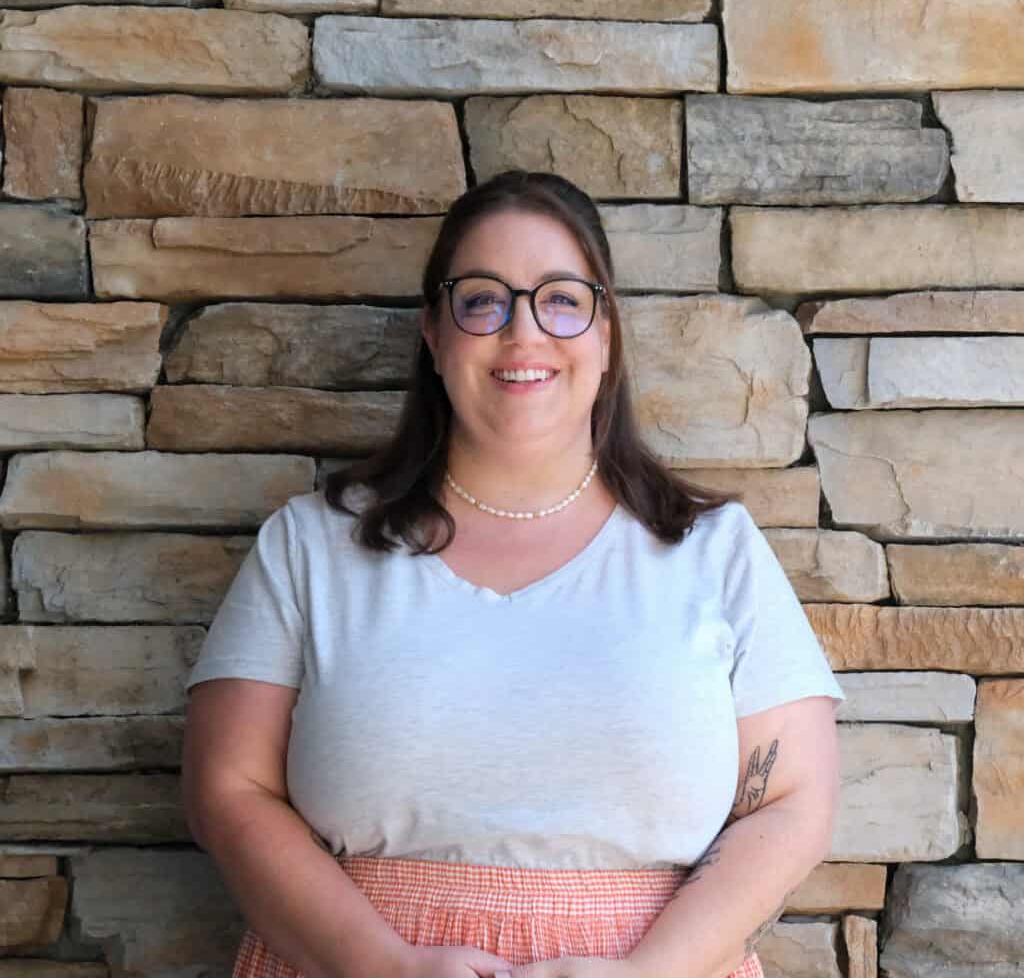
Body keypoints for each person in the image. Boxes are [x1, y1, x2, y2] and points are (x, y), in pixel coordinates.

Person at [182, 170, 845, 978]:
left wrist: (648, 974)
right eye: (482, 299)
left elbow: (793, 802)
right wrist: (379, 964)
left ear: (607, 335)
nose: (523, 333)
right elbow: (229, 788)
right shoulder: (311, 547)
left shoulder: (715, 552)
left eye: (562, 299)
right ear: (434, 332)